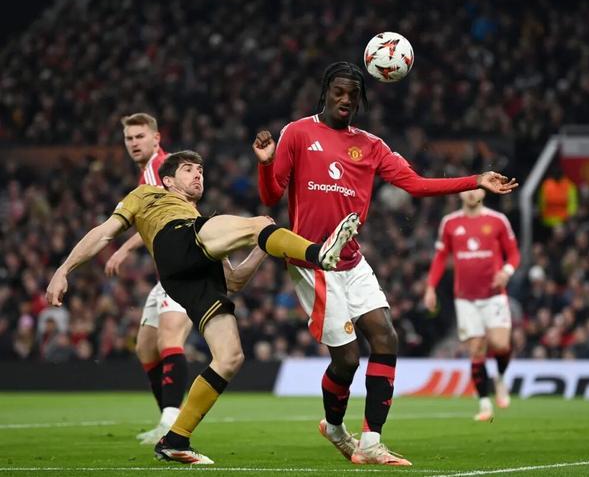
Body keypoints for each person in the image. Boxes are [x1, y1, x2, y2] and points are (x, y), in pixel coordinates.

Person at [253, 61, 517, 466]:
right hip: (312, 260)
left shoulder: (371, 145)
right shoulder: (298, 133)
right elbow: (271, 196)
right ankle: (335, 427)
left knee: (386, 337)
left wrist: (475, 180)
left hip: (351, 259)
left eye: (353, 94)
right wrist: (265, 163)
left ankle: (371, 441)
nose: (346, 99)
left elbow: (416, 184)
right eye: (339, 92)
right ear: (325, 92)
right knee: (347, 360)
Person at [46, 150, 360, 464]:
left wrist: (262, 247)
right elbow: (104, 233)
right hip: (174, 239)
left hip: (190, 278)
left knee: (229, 358)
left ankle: (175, 440)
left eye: (200, 170)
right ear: (168, 180)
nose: (198, 174)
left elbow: (233, 281)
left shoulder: (205, 228)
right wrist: (63, 270)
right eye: (188, 169)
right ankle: (319, 254)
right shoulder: (147, 195)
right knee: (255, 225)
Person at [105, 113, 192, 444]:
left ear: (156, 138)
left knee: (169, 337)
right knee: (145, 348)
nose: (133, 143)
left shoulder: (161, 169)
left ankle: (172, 425)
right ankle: (166, 419)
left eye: (140, 136)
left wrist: (122, 249)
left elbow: (164, 218)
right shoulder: (149, 173)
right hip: (166, 274)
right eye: (129, 138)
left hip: (184, 269)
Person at [424, 187, 520, 421]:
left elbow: (514, 254)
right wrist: (430, 287)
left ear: (484, 194)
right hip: (465, 298)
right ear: (460, 194)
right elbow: (440, 257)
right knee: (476, 350)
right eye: (467, 190)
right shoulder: (449, 223)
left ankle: (500, 378)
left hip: (494, 295)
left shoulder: (497, 220)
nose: (471, 194)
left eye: (476, 190)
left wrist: (506, 272)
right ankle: (484, 405)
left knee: (500, 344)